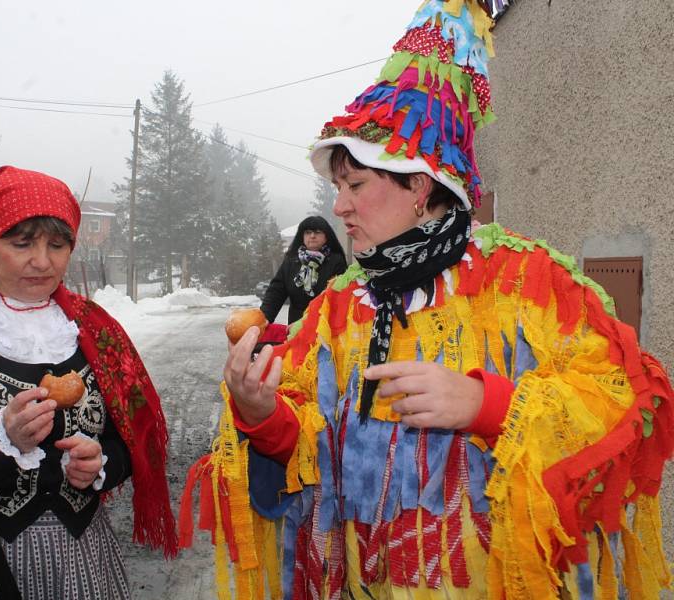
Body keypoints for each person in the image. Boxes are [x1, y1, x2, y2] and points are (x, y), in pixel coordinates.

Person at [179, 1, 674, 598]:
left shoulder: (525, 282)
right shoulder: (338, 306)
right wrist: (262, 415)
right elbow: (308, 448)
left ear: (419, 185)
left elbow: (626, 401)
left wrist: (489, 405)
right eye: (338, 188)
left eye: (355, 185)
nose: (339, 207)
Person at [0, 166, 176, 600]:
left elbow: (134, 434)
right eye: (22, 243)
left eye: (57, 245)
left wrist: (101, 466)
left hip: (83, 560)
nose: (42, 261)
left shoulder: (97, 331)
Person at [259, 216, 347, 325]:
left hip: (324, 327)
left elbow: (337, 298)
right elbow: (276, 291)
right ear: (302, 236)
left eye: (318, 232)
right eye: (308, 232)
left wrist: (308, 322)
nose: (312, 236)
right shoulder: (291, 260)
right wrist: (264, 318)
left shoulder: (336, 261)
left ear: (326, 237)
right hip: (295, 327)